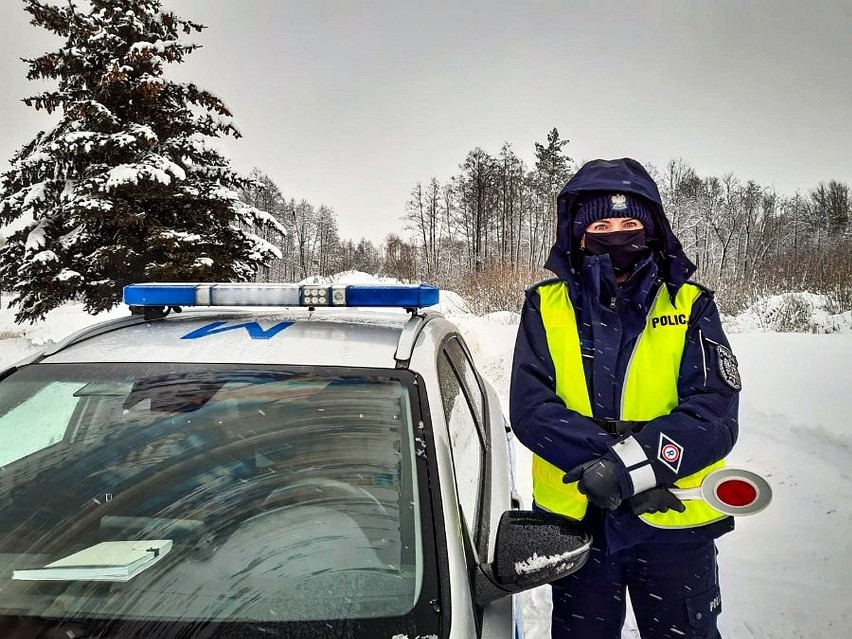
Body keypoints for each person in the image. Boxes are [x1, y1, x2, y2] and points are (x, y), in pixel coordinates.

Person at [510, 158, 741, 638]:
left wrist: (636, 470)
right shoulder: (544, 306)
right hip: (579, 519)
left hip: (673, 515)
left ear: (652, 230)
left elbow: (714, 411)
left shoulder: (690, 304)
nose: (617, 235)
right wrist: (616, 470)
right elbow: (532, 410)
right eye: (602, 224)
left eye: (630, 224)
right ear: (578, 233)